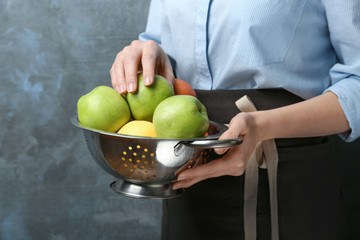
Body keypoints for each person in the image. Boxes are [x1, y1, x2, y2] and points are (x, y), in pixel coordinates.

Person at [110, 1, 360, 240]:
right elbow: (159, 45)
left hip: (290, 177)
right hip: (188, 179)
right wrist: (150, 54)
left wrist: (263, 125)